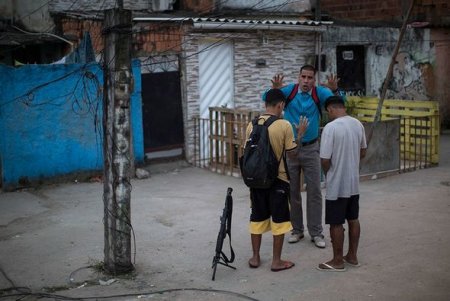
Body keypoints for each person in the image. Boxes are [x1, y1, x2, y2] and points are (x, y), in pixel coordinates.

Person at [269, 64, 340, 248]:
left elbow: (340, 103)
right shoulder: (290, 91)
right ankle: (297, 230)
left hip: (311, 148)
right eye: (303, 77)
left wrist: (334, 90)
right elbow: (266, 98)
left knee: (315, 191)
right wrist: (276, 91)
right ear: (299, 77)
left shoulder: (319, 93)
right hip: (291, 149)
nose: (306, 81)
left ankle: (316, 232)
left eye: (310, 78)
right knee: (292, 191)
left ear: (314, 80)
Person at [247, 88, 308, 272]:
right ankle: (276, 261)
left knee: (257, 218)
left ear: (266, 104)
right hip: (278, 180)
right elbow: (293, 154)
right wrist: (300, 135)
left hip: (256, 180)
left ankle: (255, 257)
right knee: (279, 221)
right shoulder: (284, 125)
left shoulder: (252, 124)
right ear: (281, 105)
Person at [317, 96, 367, 271]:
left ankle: (337, 261)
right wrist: (352, 164)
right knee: (353, 219)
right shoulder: (357, 124)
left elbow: (324, 159)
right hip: (353, 183)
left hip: (337, 184)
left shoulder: (330, 128)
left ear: (330, 109)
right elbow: (363, 151)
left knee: (336, 222)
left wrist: (329, 172)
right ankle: (352, 256)